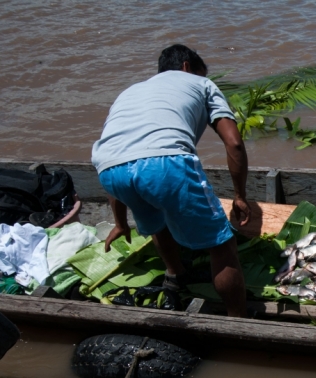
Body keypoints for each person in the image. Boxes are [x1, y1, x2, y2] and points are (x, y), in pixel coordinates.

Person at [92, 44, 251, 317]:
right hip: (165, 164)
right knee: (221, 244)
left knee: (158, 215)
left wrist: (120, 222)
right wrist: (239, 196)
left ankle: (175, 273)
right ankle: (238, 320)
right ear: (188, 67)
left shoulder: (129, 92)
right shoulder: (201, 83)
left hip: (108, 171)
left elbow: (121, 154)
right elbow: (234, 143)